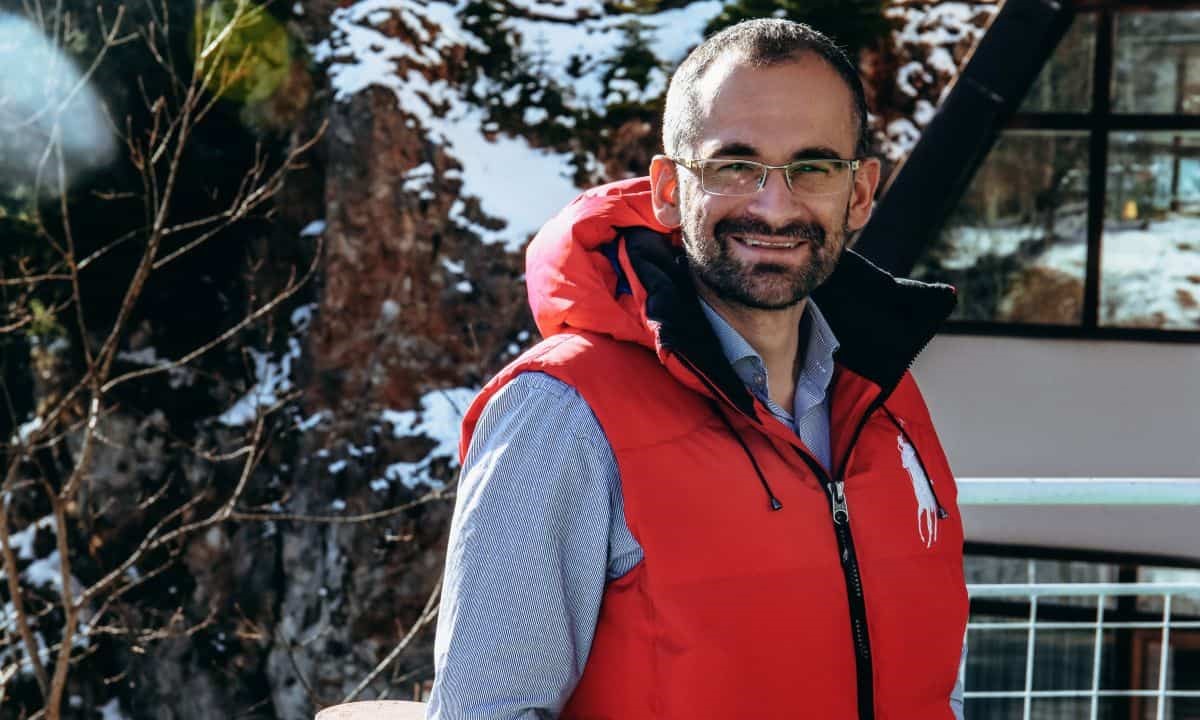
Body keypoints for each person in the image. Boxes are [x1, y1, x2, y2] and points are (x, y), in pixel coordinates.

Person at [429, 18, 968, 720]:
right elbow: (486, 708)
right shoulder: (562, 412)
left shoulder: (888, 401)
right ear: (667, 189)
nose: (774, 206)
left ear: (860, 192)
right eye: (734, 165)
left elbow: (933, 681)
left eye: (812, 167)